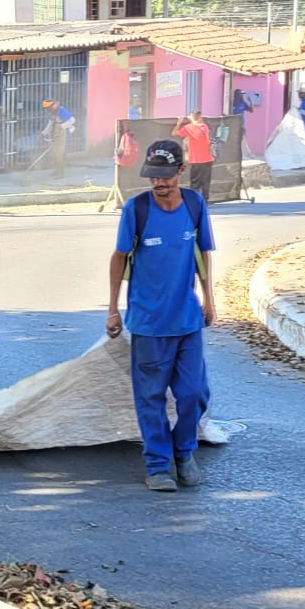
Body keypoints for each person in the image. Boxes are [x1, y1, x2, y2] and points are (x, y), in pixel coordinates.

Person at [106, 139, 217, 491]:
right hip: (149, 323)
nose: (159, 183)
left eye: (166, 175)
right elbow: (119, 257)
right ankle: (157, 465)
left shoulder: (195, 205)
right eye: (153, 176)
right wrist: (113, 308)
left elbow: (204, 252)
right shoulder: (136, 210)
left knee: (193, 393)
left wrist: (210, 298)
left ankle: (183, 453)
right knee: (150, 397)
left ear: (181, 171)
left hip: (186, 320)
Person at [172, 111, 214, 197]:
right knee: (206, 182)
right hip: (207, 159)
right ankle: (205, 200)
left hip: (196, 159)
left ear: (192, 118)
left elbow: (174, 133)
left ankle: (194, 199)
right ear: (200, 118)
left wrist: (179, 123)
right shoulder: (204, 127)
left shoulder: (188, 128)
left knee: (195, 182)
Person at [41, 100, 77, 176]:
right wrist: (44, 133)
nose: (47, 110)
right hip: (55, 134)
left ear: (52, 106)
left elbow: (72, 120)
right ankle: (57, 170)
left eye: (48, 108)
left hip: (63, 134)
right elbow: (50, 124)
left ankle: (61, 173)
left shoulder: (61, 111)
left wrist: (62, 126)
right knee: (54, 154)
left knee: (59, 154)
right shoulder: (52, 112)